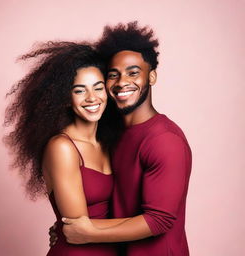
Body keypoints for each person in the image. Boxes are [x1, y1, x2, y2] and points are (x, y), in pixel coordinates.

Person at [58, 22, 192, 256]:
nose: (121, 82)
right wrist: (67, 230)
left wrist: (87, 231)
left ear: (151, 77)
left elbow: (158, 220)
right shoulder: (112, 132)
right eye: (113, 75)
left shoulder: (165, 140)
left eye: (133, 73)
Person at [4, 42, 125, 255]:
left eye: (98, 87)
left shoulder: (110, 142)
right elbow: (77, 228)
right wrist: (150, 224)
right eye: (80, 90)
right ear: (66, 99)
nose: (92, 98)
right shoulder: (62, 148)